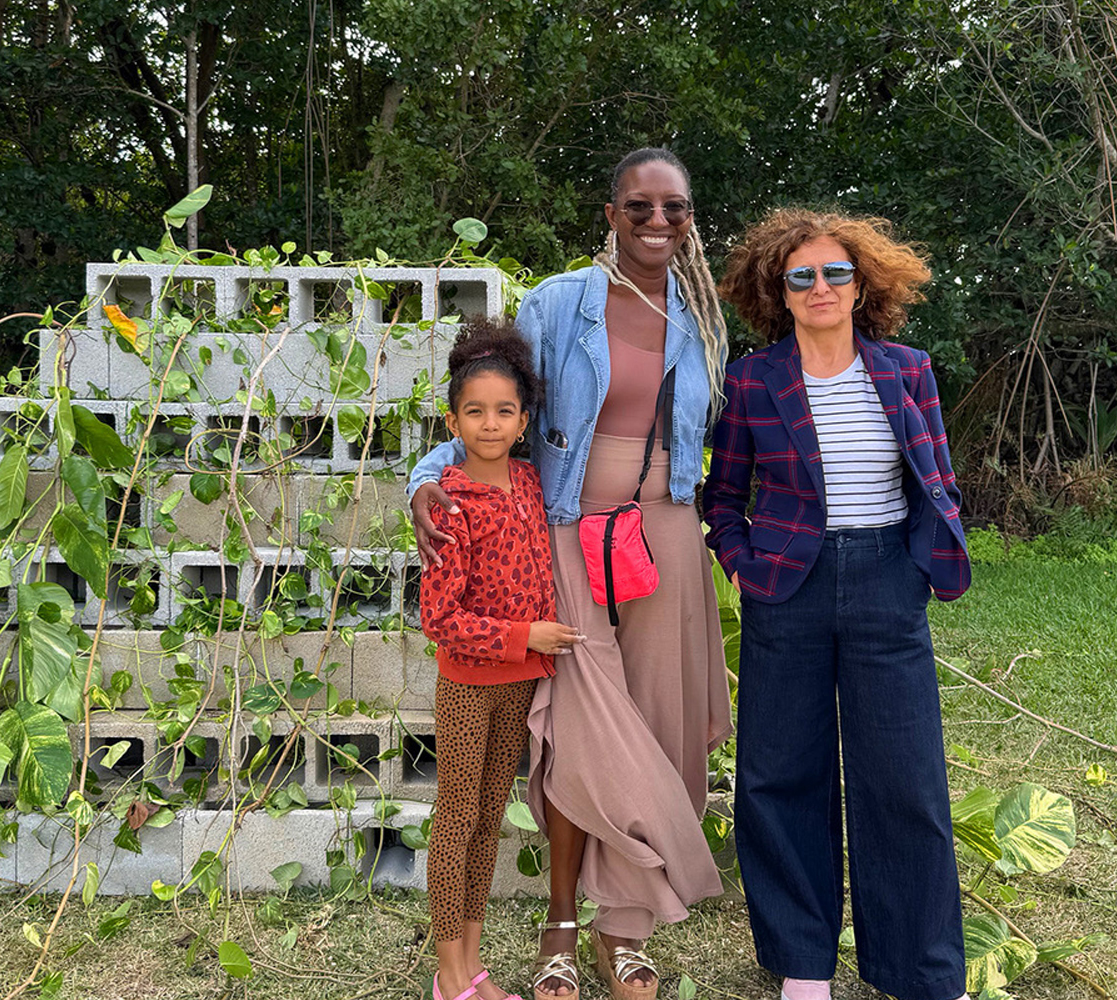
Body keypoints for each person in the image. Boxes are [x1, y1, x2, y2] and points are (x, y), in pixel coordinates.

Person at [411, 148, 734, 1000]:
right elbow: (493, 411)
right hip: (566, 536)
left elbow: (718, 439)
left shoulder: (703, 315)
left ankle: (622, 929)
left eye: (674, 208)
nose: (657, 222)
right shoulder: (560, 304)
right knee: (580, 734)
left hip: (665, 535)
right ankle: (559, 926)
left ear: (690, 217)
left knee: (659, 728)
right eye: (639, 207)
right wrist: (423, 478)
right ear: (610, 213)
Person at [703, 208, 971, 1000]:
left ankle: (921, 973)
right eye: (802, 277)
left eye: (836, 273)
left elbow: (938, 478)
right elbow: (722, 495)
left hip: (888, 581)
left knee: (906, 780)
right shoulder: (754, 380)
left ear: (862, 286)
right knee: (780, 774)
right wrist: (744, 563)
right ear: (777, 292)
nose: (821, 287)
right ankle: (803, 965)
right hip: (789, 587)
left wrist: (920, 566)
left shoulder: (907, 369)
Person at [418, 317, 581, 1000]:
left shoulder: (530, 484)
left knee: (489, 815)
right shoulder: (448, 504)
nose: (490, 423)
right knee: (455, 818)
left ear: (523, 422)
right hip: (469, 685)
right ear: (453, 420)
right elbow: (439, 618)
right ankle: (448, 971)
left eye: (504, 411)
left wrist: (531, 651)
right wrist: (525, 638)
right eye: (475, 411)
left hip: (519, 686)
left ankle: (473, 965)